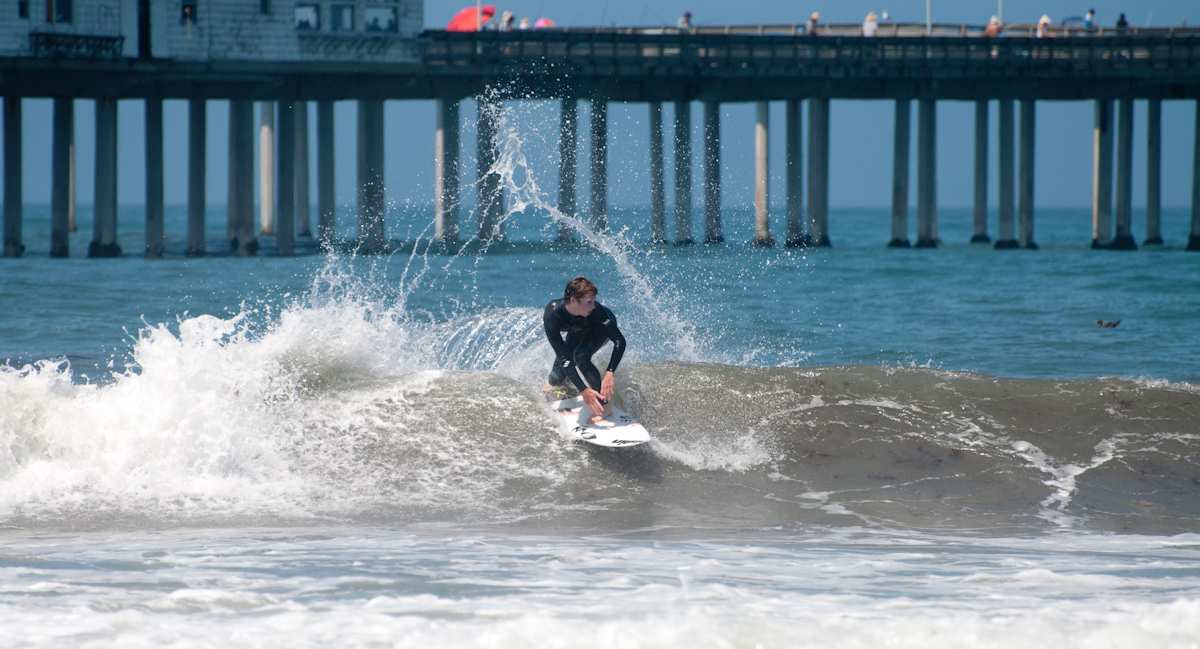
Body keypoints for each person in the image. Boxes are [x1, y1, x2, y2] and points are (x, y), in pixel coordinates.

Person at [543, 277, 627, 423]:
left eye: (594, 301)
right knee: (556, 378)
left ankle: (604, 405)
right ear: (574, 300)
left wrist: (610, 373)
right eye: (589, 302)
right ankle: (568, 387)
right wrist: (583, 390)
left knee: (580, 356)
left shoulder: (597, 312)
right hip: (578, 328)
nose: (593, 305)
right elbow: (565, 359)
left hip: (599, 328)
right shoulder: (553, 315)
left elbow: (620, 341)